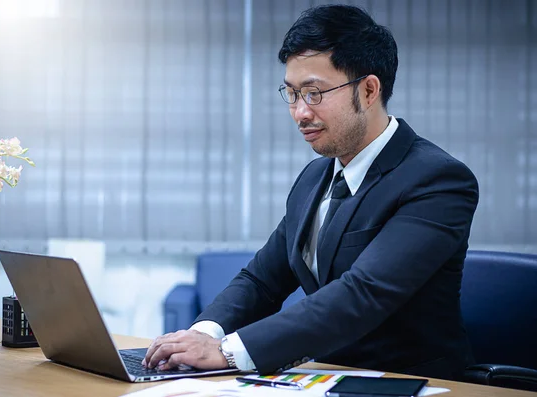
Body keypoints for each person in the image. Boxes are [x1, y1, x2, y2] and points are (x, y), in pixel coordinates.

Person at [143, 4, 478, 380]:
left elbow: (361, 293)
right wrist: (199, 336)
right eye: (291, 93)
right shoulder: (314, 177)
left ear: (368, 90)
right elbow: (262, 280)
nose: (300, 112)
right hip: (321, 376)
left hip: (410, 383)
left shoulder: (438, 179)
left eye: (314, 93)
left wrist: (229, 352)